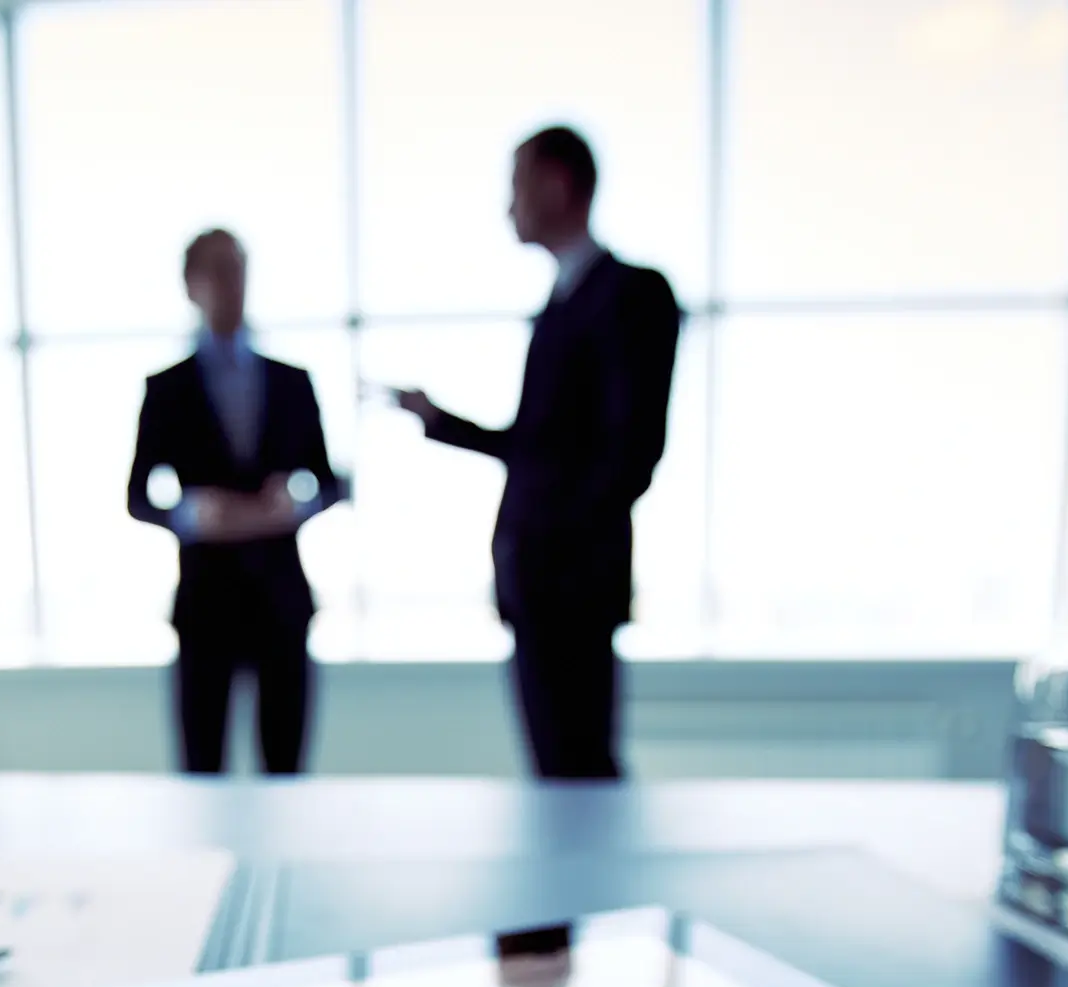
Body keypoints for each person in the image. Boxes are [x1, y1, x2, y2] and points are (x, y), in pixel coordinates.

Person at [390, 126, 680, 780]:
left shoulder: (631, 295)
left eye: (516, 185)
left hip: (573, 578)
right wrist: (439, 421)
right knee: (556, 768)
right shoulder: (560, 304)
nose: (508, 206)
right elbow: (538, 447)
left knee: (580, 769)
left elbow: (632, 452)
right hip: (537, 579)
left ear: (556, 184)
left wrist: (558, 544)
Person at [127, 229, 346, 774]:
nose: (233, 282)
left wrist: (295, 504)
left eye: (239, 267)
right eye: (220, 270)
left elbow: (330, 482)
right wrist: (193, 516)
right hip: (206, 605)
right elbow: (137, 497)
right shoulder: (166, 389)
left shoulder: (292, 381)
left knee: (287, 770)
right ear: (191, 283)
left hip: (281, 602)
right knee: (202, 770)